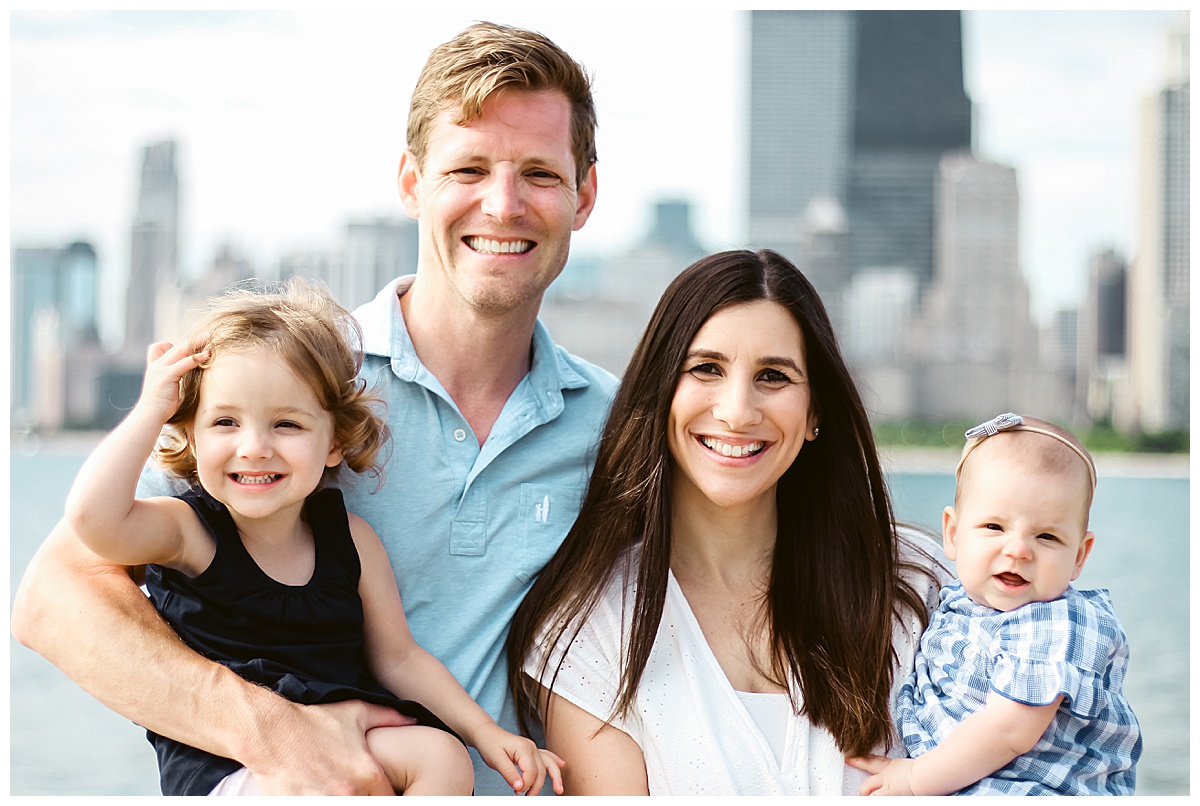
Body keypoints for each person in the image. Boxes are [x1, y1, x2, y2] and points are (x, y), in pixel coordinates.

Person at [11, 22, 615, 796]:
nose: (502, 204)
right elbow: (51, 601)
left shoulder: (617, 427)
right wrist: (273, 730)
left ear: (584, 195)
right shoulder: (287, 383)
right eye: (468, 168)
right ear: (410, 182)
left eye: (538, 173)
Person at [60, 279, 565, 796]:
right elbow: (93, 520)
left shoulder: (351, 540)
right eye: (226, 422)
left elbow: (399, 658)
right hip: (233, 770)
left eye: (286, 425)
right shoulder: (187, 531)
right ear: (191, 436)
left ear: (334, 443)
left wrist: (484, 733)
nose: (254, 447)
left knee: (442, 758)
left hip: (346, 743)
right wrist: (151, 411)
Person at [506, 249, 953, 795]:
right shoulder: (591, 627)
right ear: (660, 390)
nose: (737, 410)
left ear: (815, 413)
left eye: (773, 376)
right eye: (706, 369)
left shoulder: (915, 585)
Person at [848, 413, 1143, 796]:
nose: (1018, 550)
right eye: (994, 527)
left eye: (1047, 536)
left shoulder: (1059, 624)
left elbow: (1009, 731)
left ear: (1079, 556)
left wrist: (915, 778)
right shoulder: (956, 600)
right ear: (953, 534)